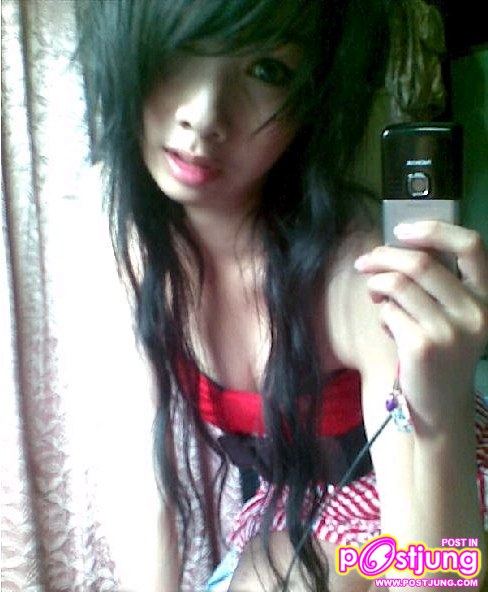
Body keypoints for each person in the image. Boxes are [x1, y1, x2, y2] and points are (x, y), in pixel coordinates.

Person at [76, 1, 488, 590]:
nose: (203, 115)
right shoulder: (139, 254)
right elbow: (144, 488)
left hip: (440, 500)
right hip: (294, 507)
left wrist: (440, 414)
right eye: (179, 50)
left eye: (267, 70)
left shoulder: (356, 280)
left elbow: (438, 572)